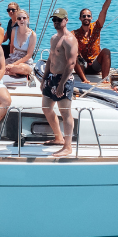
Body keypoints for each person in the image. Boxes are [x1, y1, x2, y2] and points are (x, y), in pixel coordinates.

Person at [42, 8, 78, 157]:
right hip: (51, 78)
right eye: (54, 20)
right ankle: (58, 137)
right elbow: (50, 59)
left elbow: (71, 63)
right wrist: (44, 78)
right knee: (46, 107)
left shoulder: (69, 39)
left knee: (65, 113)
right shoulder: (53, 38)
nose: (56, 22)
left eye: (59, 19)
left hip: (64, 79)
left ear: (66, 20)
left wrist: (62, 84)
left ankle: (68, 146)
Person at [74, 0, 114, 83]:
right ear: (80, 18)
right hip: (81, 65)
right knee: (73, 54)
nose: (86, 17)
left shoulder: (96, 27)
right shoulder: (74, 34)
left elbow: (104, 10)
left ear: (91, 18)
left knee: (106, 51)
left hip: (95, 64)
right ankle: (85, 80)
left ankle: (105, 80)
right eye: (84, 16)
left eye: (88, 16)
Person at [3, 9, 36, 77]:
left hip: (25, 61)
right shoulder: (14, 30)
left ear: (28, 19)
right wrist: (11, 58)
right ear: (17, 20)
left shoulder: (32, 35)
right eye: (19, 18)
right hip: (14, 57)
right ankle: (11, 72)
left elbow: (29, 55)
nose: (21, 20)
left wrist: (13, 65)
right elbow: (11, 46)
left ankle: (8, 71)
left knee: (22, 68)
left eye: (24, 18)